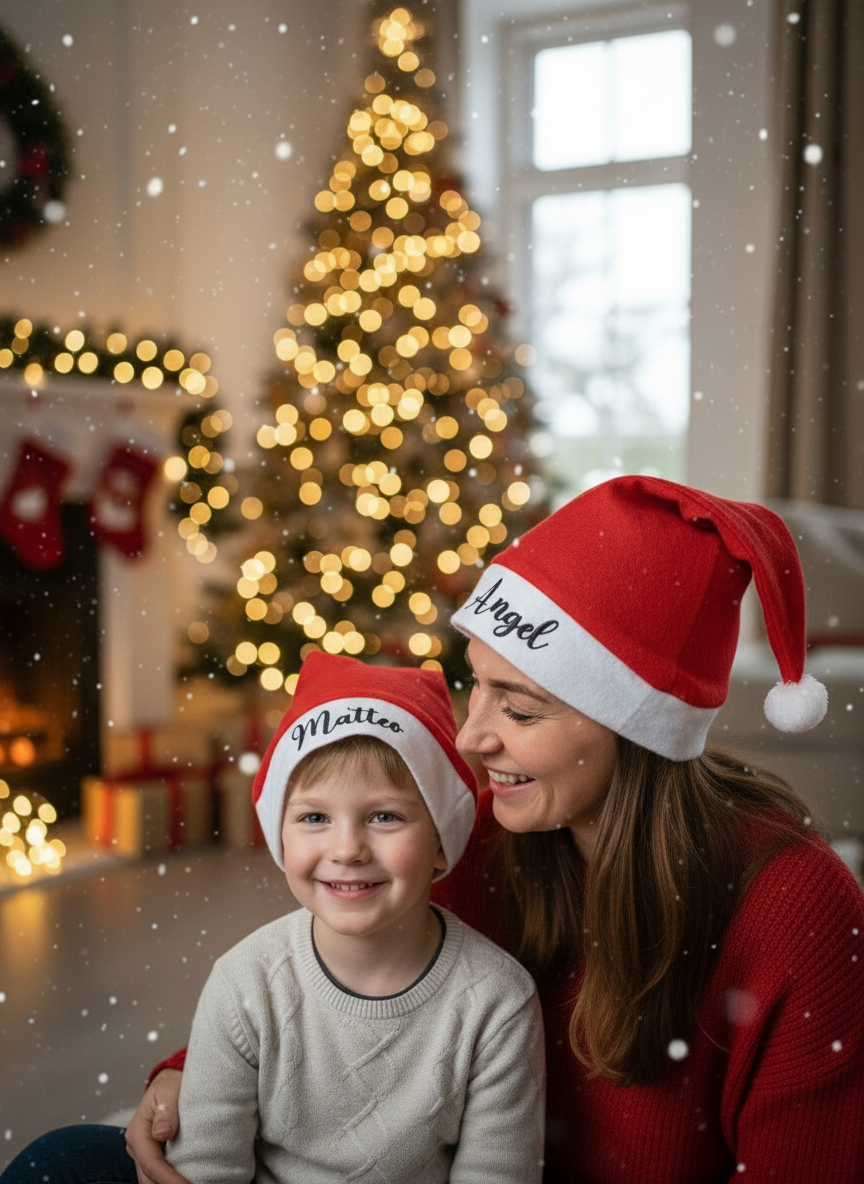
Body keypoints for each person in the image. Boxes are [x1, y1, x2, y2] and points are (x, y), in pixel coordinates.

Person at [6, 476, 864, 1184]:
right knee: (60, 1165)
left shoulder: (800, 911)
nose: (471, 736)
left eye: (519, 708)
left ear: (635, 730)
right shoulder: (500, 820)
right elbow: (357, 957)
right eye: (476, 687)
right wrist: (195, 1069)